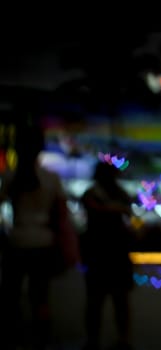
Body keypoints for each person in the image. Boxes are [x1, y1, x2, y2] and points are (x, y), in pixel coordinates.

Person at [0, 122, 80, 350]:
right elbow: (62, 215)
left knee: (10, 296)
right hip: (43, 241)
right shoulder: (50, 179)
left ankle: (12, 338)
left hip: (16, 240)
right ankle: (40, 340)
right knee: (40, 297)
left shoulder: (9, 176)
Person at [80, 161, 135, 350]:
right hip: (113, 251)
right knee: (116, 299)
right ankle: (120, 339)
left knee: (98, 299)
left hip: (100, 251)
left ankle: (95, 340)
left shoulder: (93, 193)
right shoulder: (117, 194)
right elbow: (127, 212)